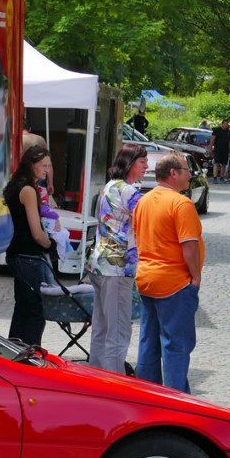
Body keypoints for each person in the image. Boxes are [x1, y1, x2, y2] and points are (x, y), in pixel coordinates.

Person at [132, 153, 205, 393]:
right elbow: (189, 245)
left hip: (146, 279)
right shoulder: (181, 203)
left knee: (148, 343)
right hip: (173, 282)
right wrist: (195, 278)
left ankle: (147, 395)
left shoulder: (144, 200)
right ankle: (177, 401)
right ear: (173, 173)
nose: (190, 174)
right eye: (186, 170)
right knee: (176, 346)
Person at [87, 143, 148, 374]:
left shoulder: (110, 186)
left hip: (101, 263)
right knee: (119, 329)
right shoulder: (129, 191)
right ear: (130, 163)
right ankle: (113, 382)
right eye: (142, 161)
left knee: (101, 327)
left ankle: (95, 376)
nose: (146, 166)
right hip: (118, 266)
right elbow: (147, 219)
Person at [2, 146, 55, 346]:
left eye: (49, 165)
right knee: (36, 311)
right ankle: (31, 357)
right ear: (30, 165)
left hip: (17, 252)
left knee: (22, 308)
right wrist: (51, 244)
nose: (46, 170)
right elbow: (36, 232)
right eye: (43, 165)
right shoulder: (28, 190)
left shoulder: (17, 185)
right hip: (28, 255)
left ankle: (14, 352)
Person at [21, 121, 53, 195]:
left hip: (20, 174)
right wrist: (50, 183)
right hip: (37, 174)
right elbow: (48, 164)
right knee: (38, 197)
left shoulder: (14, 139)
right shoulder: (39, 139)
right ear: (29, 129)